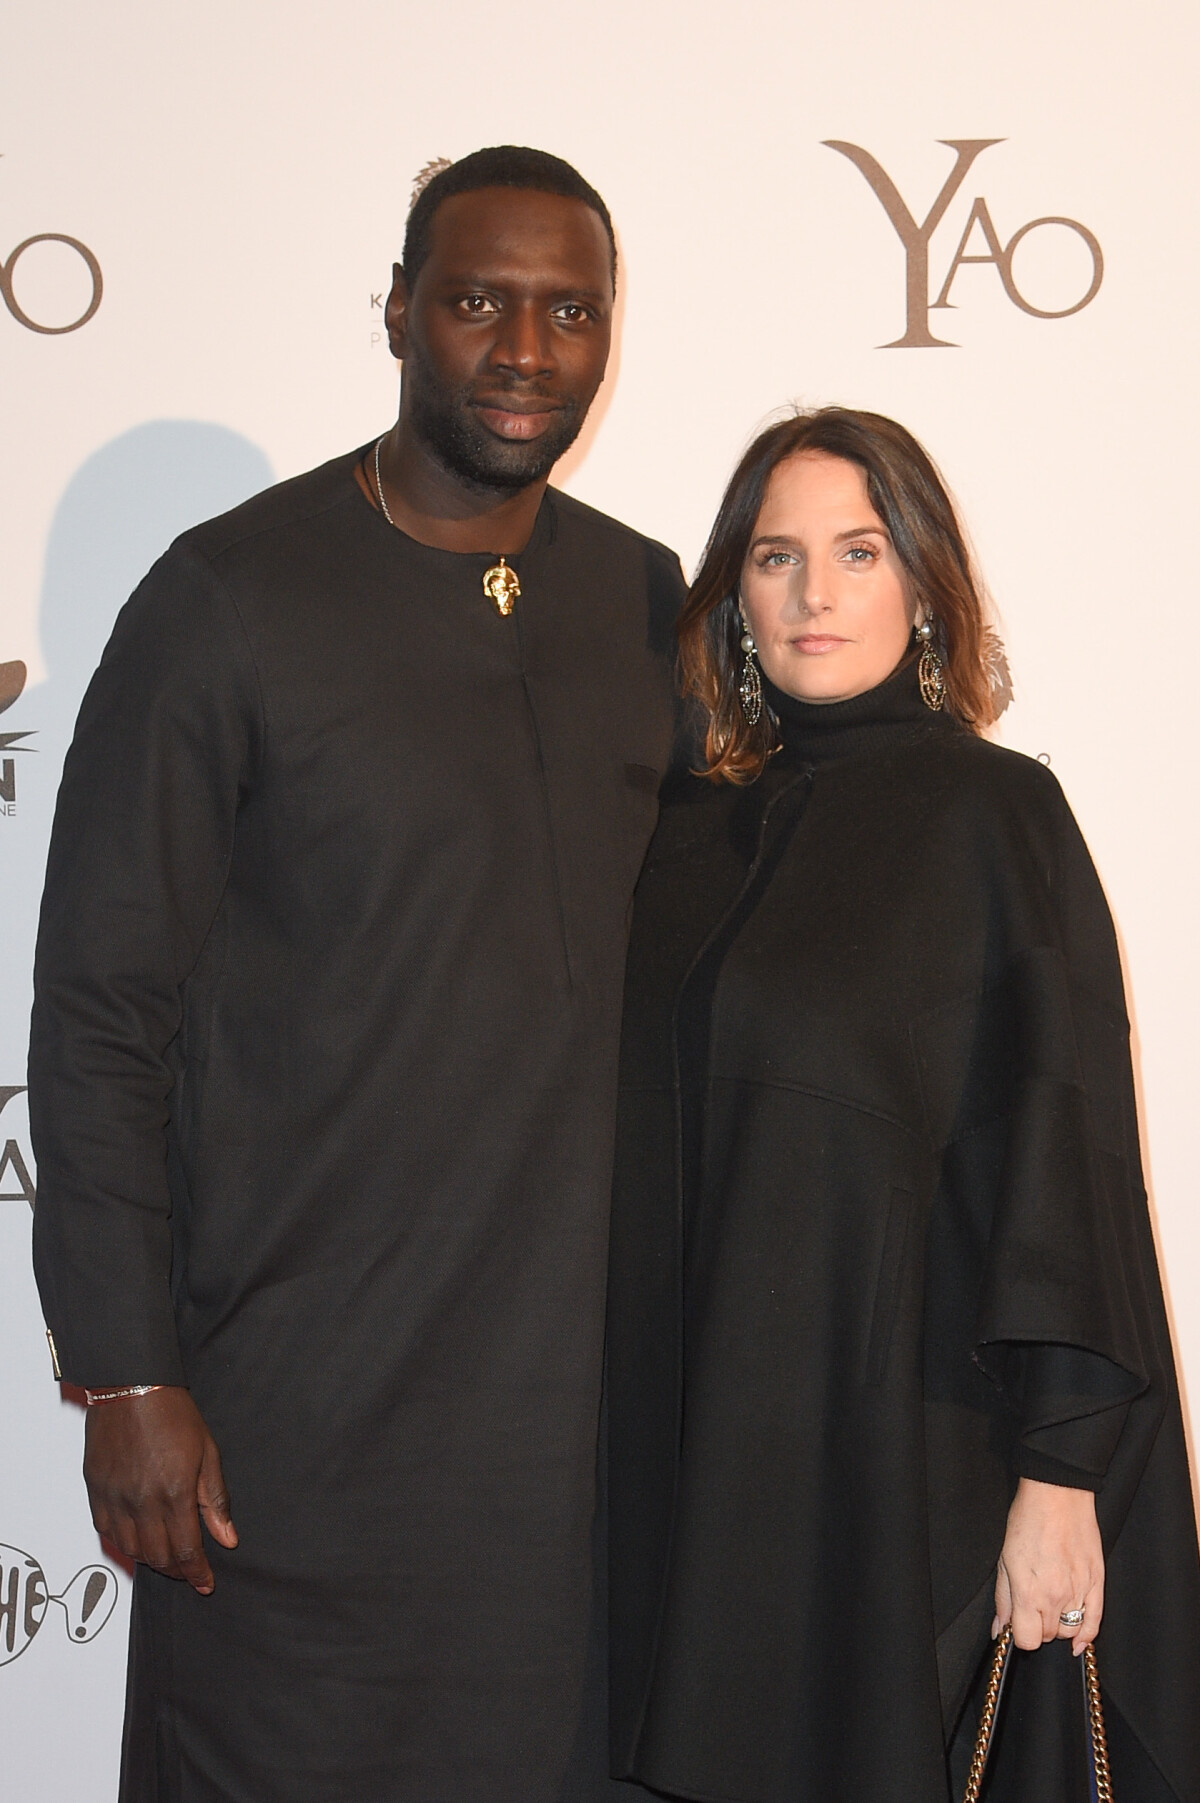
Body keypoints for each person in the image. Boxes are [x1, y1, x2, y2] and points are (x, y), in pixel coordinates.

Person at [29, 145, 685, 1803]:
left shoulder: (647, 601)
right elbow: (103, 1011)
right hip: (291, 1432)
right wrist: (127, 1370)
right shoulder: (226, 599)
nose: (525, 350)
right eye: (477, 301)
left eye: (568, 312)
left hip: (571, 1452)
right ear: (398, 312)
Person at [606, 408, 1200, 1802]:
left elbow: (1069, 1157)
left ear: (922, 580)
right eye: (777, 557)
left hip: (895, 1453)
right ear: (733, 595)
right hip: (679, 1447)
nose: (816, 594)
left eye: (859, 552)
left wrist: (1060, 1480)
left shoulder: (996, 818)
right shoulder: (667, 830)